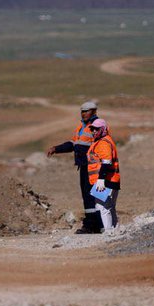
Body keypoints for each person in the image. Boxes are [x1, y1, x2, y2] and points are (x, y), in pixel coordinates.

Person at [46, 100, 103, 234]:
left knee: (96, 195)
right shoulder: (81, 127)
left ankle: (94, 225)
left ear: (93, 112)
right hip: (84, 166)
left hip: (94, 167)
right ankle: (95, 224)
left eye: (86, 111)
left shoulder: (96, 126)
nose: (83, 114)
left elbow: (102, 145)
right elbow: (73, 143)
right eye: (82, 112)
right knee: (87, 195)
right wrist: (56, 149)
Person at [85, 118, 120, 230]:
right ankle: (115, 230)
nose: (94, 131)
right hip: (111, 180)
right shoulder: (103, 141)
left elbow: (106, 162)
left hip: (105, 180)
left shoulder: (103, 142)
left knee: (102, 207)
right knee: (110, 207)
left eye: (97, 129)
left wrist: (101, 179)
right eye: (93, 129)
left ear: (103, 129)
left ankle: (109, 233)